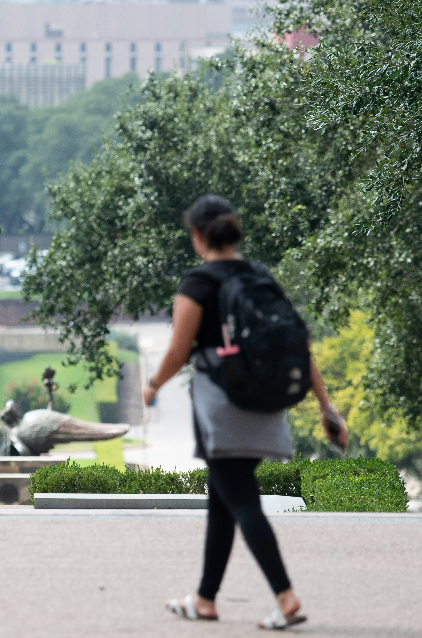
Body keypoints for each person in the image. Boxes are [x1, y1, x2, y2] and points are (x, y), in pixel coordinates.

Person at [142, 195, 347, 629]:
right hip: (265, 402)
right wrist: (327, 409)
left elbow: (179, 350)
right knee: (224, 499)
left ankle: (285, 596)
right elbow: (297, 346)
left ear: (198, 235)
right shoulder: (260, 276)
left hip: (223, 404)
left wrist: (153, 384)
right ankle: (204, 599)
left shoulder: (198, 283)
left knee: (241, 499)